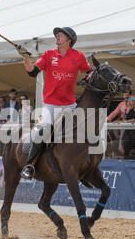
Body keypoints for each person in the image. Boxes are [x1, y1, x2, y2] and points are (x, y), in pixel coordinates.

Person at [16, 26, 92, 179]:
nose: (57, 36)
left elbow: (88, 71)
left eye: (60, 34)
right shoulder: (49, 55)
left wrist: (90, 76)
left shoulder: (78, 56)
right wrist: (25, 58)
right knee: (43, 131)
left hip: (70, 105)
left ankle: (86, 164)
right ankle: (29, 166)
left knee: (85, 131)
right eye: (57, 34)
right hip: (50, 104)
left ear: (68, 40)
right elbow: (33, 72)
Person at [106, 91, 132, 156]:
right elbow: (114, 113)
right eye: (124, 94)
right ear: (123, 95)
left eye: (127, 94)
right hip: (123, 126)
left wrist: (131, 99)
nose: (126, 95)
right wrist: (107, 119)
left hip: (132, 126)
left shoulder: (133, 100)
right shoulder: (121, 104)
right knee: (120, 141)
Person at [121, 94, 135, 159]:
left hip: (134, 134)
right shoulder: (130, 110)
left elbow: (134, 120)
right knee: (126, 152)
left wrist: (124, 121)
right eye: (130, 99)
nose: (131, 101)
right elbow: (127, 120)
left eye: (133, 99)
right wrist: (123, 119)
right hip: (128, 133)